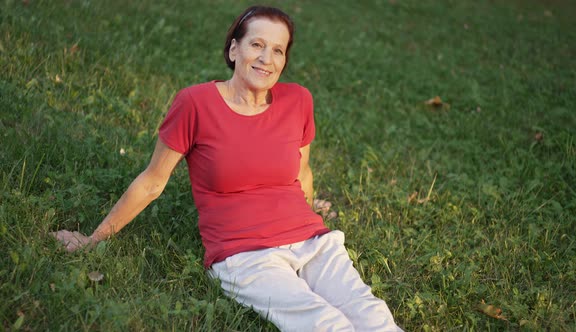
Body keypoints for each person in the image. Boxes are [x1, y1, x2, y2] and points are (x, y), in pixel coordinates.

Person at [52, 5, 403, 332]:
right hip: (245, 256)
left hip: (313, 241)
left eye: (278, 50)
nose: (267, 59)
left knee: (372, 314)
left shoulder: (298, 100)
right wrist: (93, 239)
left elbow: (302, 173)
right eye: (257, 45)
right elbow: (152, 183)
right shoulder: (195, 104)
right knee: (324, 323)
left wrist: (309, 209)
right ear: (234, 49)